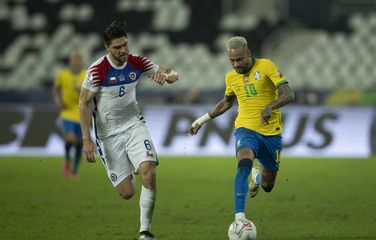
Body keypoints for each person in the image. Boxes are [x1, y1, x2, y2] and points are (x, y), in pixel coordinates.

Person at [79, 21, 178, 240]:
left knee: (149, 171)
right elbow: (83, 103)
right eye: (117, 47)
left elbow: (173, 74)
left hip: (134, 126)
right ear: (107, 48)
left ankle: (145, 232)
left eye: (125, 45)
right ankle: (134, 165)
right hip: (108, 136)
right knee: (127, 193)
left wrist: (167, 76)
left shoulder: (137, 62)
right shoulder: (97, 70)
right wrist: (87, 139)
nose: (123, 50)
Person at [189, 36, 295, 221]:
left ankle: (258, 176)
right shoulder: (231, 77)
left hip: (271, 134)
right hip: (245, 129)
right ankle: (240, 217)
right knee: (244, 161)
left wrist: (271, 106)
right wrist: (201, 120)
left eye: (239, 59)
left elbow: (289, 94)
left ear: (249, 53)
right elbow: (226, 103)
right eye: (232, 61)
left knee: (268, 185)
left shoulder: (266, 66)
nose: (236, 64)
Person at [53, 51, 86, 179]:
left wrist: (83, 90)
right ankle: (67, 160)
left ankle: (74, 170)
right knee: (71, 138)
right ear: (71, 62)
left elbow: (94, 91)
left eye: (79, 60)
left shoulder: (86, 75)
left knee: (80, 143)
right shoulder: (62, 75)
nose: (77, 62)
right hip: (67, 111)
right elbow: (56, 90)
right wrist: (58, 101)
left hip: (82, 112)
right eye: (75, 60)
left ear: (82, 62)